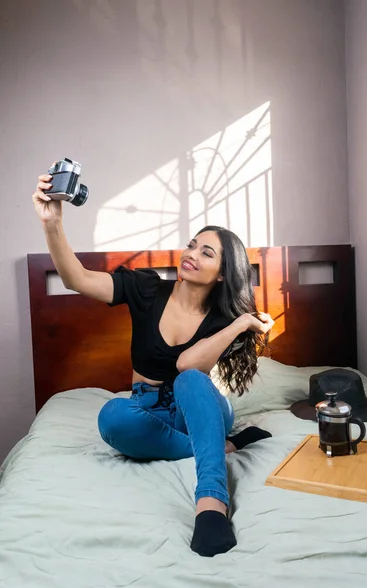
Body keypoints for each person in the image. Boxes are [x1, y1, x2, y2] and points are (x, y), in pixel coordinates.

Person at [32, 172, 275, 557]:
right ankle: (219, 447)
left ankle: (211, 504)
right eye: (192, 246)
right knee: (113, 417)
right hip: (149, 411)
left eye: (206, 253)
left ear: (224, 273)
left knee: (190, 381)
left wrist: (242, 322)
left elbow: (187, 365)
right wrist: (53, 222)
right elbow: (75, 278)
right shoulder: (145, 289)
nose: (191, 255)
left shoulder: (224, 322)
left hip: (200, 408)